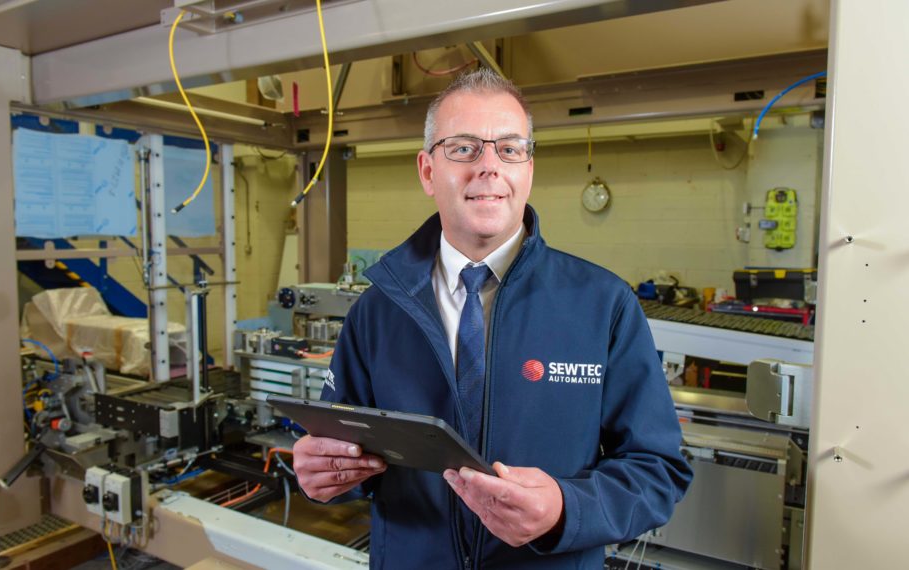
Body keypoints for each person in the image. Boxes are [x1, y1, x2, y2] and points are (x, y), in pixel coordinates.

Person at [292, 68, 692, 569]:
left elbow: (657, 471)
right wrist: (322, 476)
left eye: (509, 148)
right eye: (462, 148)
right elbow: (345, 450)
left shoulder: (602, 305)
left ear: (528, 168)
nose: (489, 167)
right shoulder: (379, 309)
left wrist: (566, 509)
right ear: (426, 170)